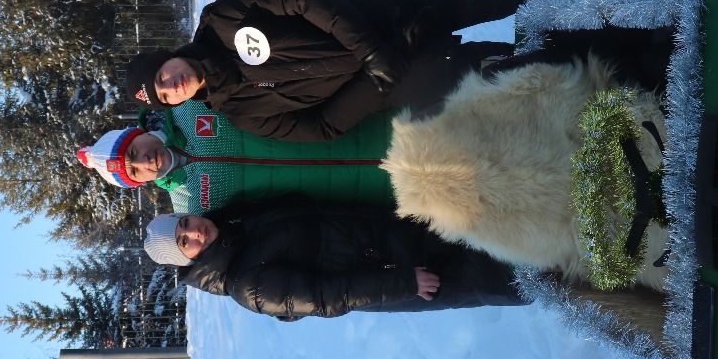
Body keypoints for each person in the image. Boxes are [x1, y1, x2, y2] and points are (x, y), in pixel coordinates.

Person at [123, 0, 653, 142]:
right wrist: (375, 80)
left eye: (163, 76)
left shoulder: (222, 18)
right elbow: (319, 128)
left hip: (393, 12)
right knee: (506, 65)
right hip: (402, 75)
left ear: (168, 57)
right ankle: (624, 49)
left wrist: (371, 49)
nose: (172, 86)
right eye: (167, 96)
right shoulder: (241, 110)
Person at [141, 197, 528, 319]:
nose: (194, 232)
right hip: (406, 273)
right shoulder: (247, 286)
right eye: (184, 242)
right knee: (511, 276)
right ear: (186, 259)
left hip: (398, 231)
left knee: (513, 230)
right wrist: (405, 283)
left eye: (185, 223)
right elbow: (326, 297)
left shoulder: (238, 222)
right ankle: (582, 282)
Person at [75, 97, 395, 214]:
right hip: (358, 191)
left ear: (138, 133)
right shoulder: (191, 206)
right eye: (135, 170)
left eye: (134, 151)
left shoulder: (189, 108)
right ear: (140, 183)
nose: (144, 161)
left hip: (359, 124)